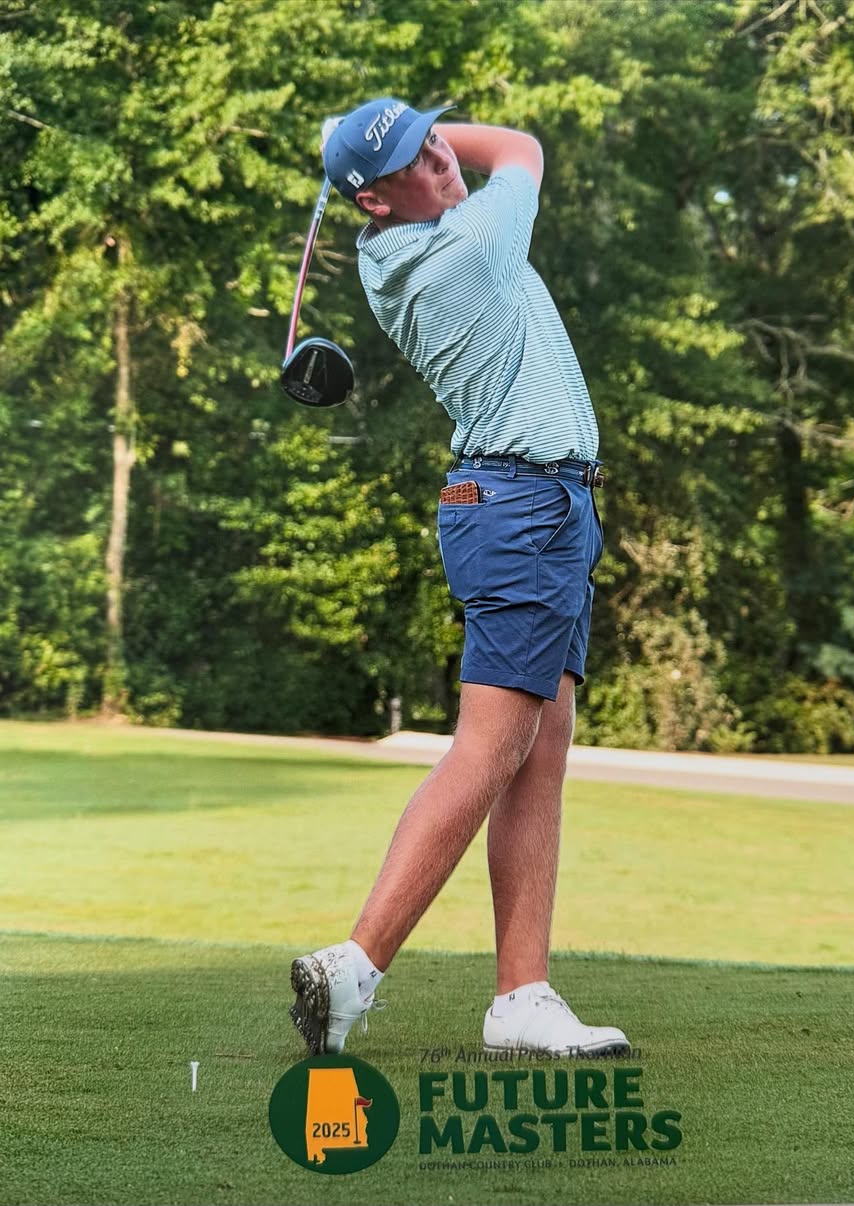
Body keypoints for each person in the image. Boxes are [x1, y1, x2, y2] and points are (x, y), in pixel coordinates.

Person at [289, 96, 629, 1058]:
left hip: (540, 506)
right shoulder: (466, 249)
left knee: (540, 747)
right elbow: (520, 146)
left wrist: (393, 135)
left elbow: (452, 160)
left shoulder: (403, 242)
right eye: (415, 158)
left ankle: (521, 995)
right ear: (375, 202)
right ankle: (354, 967)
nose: (442, 156)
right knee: (490, 748)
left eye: (433, 135)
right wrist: (414, 129)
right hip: (523, 507)